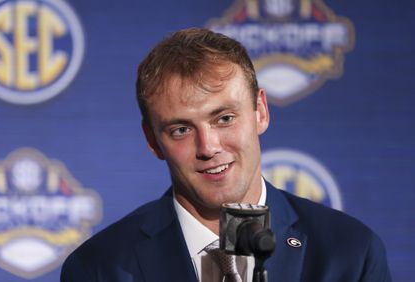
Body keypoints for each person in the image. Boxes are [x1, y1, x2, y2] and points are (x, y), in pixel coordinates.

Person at [61, 28, 391, 282]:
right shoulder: (98, 269)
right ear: (151, 140)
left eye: (224, 119)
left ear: (260, 111)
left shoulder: (349, 253)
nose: (209, 147)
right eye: (181, 130)